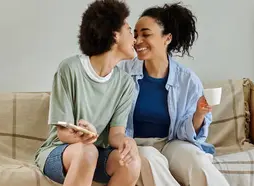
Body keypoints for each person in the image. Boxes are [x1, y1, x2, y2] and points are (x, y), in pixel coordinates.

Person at [117, 2, 230, 186]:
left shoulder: (187, 80)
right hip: (136, 144)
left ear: (167, 38)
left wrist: (199, 114)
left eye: (146, 34)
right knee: (148, 157)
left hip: (171, 142)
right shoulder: (123, 72)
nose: (137, 41)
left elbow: (184, 133)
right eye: (135, 35)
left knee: (195, 158)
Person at [34, 0, 140, 185]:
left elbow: (116, 134)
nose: (135, 39)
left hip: (97, 153)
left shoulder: (125, 83)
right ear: (115, 35)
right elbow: (63, 133)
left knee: (130, 163)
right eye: (130, 31)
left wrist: (127, 143)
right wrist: (84, 136)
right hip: (59, 151)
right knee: (87, 151)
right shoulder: (70, 69)